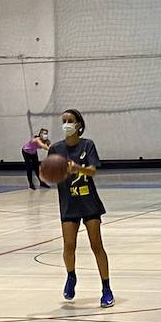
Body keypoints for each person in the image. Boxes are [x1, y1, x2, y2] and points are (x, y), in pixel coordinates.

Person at [52, 109, 113, 308]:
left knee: (96, 245)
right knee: (69, 246)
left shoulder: (88, 145)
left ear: (78, 125)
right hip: (68, 202)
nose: (66, 124)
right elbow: (51, 173)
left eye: (70, 120)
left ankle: (106, 289)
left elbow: (93, 171)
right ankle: (71, 276)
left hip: (89, 202)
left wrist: (77, 168)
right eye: (64, 121)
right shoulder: (55, 149)